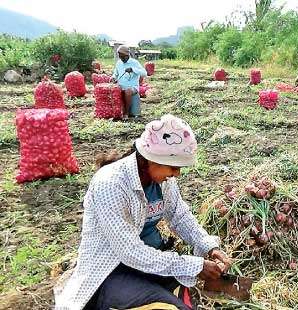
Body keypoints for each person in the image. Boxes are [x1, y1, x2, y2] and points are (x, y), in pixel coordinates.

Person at [55, 114, 231, 310]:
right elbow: (130, 252)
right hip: (113, 270)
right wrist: (192, 265)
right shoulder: (111, 184)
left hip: (150, 264)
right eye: (173, 167)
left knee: (183, 298)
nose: (176, 174)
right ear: (150, 159)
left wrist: (208, 246)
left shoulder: (163, 181)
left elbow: (179, 216)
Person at [110, 45, 147, 119]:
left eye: (123, 57)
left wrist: (133, 69)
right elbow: (115, 74)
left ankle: (126, 113)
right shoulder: (119, 63)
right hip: (121, 86)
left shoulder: (134, 63)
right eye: (120, 57)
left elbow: (144, 73)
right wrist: (113, 78)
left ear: (128, 55)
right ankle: (115, 113)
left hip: (133, 87)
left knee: (128, 91)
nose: (122, 59)